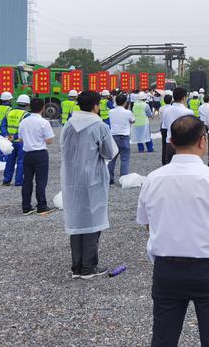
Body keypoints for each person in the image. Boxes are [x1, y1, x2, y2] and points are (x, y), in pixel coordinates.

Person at [136, 115, 209, 346]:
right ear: (202, 141)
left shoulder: (153, 179)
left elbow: (148, 224)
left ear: (172, 142)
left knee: (164, 337)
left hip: (167, 268)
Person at [60, 91, 118, 279]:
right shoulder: (98, 125)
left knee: (76, 219)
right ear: (95, 105)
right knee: (93, 220)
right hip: (93, 178)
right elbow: (110, 152)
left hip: (71, 179)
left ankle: (76, 266)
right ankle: (88, 267)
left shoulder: (68, 125)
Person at [18, 97, 55, 215]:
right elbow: (49, 140)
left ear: (29, 107)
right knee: (41, 181)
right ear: (43, 108)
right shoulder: (44, 122)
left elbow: (21, 139)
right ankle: (42, 206)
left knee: (27, 181)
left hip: (27, 154)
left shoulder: (23, 121)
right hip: (40, 154)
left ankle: (26, 207)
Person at [1, 94, 30, 187]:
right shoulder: (26, 115)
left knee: (10, 161)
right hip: (21, 142)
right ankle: (18, 182)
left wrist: (7, 135)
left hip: (10, 141)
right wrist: (15, 136)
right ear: (27, 104)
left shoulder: (10, 112)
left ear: (17, 103)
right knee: (21, 162)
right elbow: (25, 129)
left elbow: (2, 125)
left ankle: (6, 181)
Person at [160, 87, 194, 165]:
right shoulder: (189, 112)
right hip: (184, 145)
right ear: (184, 97)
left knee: (170, 169)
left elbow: (165, 124)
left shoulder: (166, 111)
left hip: (170, 143)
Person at [107, 94, 135, 185]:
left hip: (113, 136)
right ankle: (123, 179)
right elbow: (133, 120)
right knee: (124, 159)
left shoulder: (111, 111)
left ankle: (110, 178)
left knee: (112, 159)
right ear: (125, 102)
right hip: (124, 137)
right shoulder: (128, 112)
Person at [0, 91, 13, 162]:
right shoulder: (10, 110)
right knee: (7, 147)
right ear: (9, 100)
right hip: (7, 132)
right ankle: (7, 162)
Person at [158, 91, 173, 164]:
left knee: (164, 145)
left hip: (163, 127)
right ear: (171, 100)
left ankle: (164, 161)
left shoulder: (161, 108)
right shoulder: (172, 108)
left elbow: (160, 118)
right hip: (170, 127)